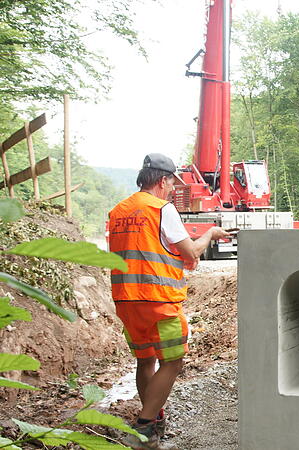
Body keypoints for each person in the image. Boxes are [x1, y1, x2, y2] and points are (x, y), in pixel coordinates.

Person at [108, 153, 230, 449]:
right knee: (173, 361)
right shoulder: (162, 209)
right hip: (158, 298)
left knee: (145, 358)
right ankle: (145, 426)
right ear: (162, 180)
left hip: (125, 298)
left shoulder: (117, 210)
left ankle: (155, 416)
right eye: (171, 184)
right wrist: (211, 233)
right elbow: (190, 253)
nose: (173, 189)